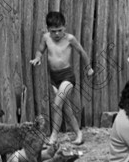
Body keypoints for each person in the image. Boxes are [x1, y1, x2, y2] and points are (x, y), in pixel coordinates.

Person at [30, 11, 94, 146]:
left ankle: (53, 136)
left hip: (67, 77)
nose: (57, 34)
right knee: (66, 108)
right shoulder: (46, 38)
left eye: (60, 30)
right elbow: (40, 50)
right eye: (54, 31)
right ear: (48, 29)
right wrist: (37, 58)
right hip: (54, 78)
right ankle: (78, 134)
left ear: (65, 27)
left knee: (57, 104)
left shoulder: (70, 39)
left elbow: (82, 52)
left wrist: (88, 68)